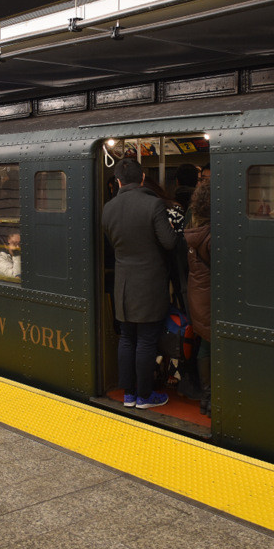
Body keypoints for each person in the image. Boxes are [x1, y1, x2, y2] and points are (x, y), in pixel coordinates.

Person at [103, 158, 179, 409]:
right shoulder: (153, 204)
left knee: (127, 338)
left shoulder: (108, 209)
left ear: (118, 182)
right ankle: (145, 396)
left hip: (123, 284)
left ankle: (129, 394)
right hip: (149, 284)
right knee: (146, 339)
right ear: (143, 178)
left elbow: (113, 243)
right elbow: (169, 242)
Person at [185, 180, 212, 415]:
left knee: (205, 343)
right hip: (210, 295)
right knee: (212, 344)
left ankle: (206, 397)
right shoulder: (211, 236)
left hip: (197, 294)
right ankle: (212, 398)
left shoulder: (194, 228)